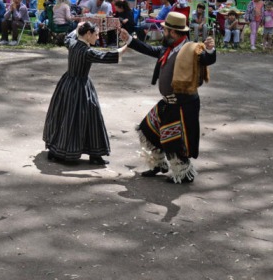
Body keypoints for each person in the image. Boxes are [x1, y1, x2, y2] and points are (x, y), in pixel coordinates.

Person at [120, 12, 216, 184]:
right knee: (147, 129)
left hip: (183, 104)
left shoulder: (192, 49)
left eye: (165, 30)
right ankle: (159, 164)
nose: (163, 32)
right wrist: (130, 41)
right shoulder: (169, 48)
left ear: (173, 32)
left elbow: (207, 59)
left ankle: (184, 173)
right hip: (167, 102)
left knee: (174, 140)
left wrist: (210, 49)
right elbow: (151, 50)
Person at [43, 21, 128, 164]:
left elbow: (68, 37)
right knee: (84, 116)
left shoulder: (73, 43)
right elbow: (108, 56)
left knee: (65, 115)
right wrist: (129, 45)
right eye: (95, 35)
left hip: (67, 84)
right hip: (80, 86)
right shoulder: (86, 52)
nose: (97, 37)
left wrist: (76, 29)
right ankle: (78, 153)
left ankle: (59, 150)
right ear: (88, 34)